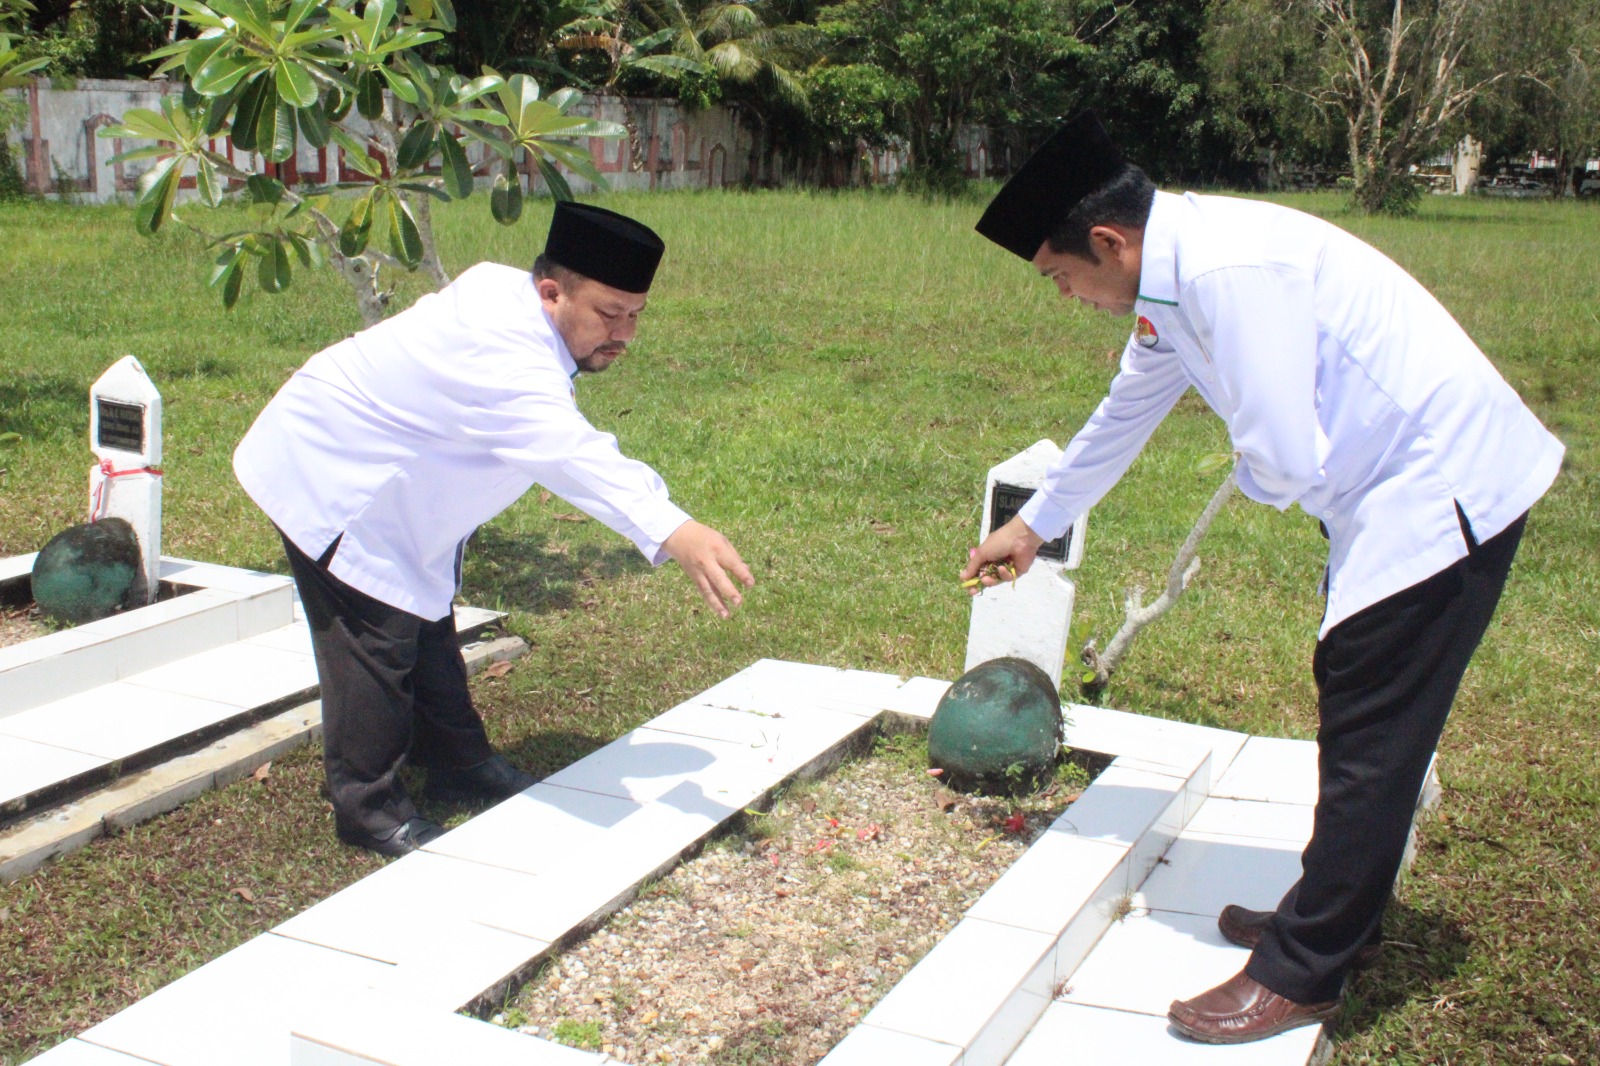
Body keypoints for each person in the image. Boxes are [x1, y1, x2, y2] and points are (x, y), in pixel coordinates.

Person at [961, 111, 1564, 1044]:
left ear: (1109, 242)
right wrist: (1037, 523)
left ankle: (1304, 969)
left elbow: (1283, 456)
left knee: (1371, 724)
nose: (1066, 295)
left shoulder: (1225, 272)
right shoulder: (1172, 276)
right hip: (1383, 490)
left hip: (1442, 492)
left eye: (1061, 275)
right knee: (1361, 706)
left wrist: (1256, 470)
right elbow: (1131, 404)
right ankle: (1329, 913)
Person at [234, 201, 754, 858]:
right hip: (333, 477)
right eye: (607, 315)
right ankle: (368, 809)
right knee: (377, 642)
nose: (623, 334)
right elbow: (567, 451)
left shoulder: (506, 296)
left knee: (424, 623)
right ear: (550, 291)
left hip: (395, 485)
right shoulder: (507, 358)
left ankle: (455, 760)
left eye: (635, 316)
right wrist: (674, 528)